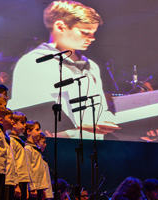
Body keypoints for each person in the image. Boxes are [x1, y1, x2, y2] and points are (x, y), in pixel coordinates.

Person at [9, 0, 119, 139]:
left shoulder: (92, 66)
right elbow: (29, 117)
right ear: (60, 27)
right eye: (85, 32)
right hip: (55, 151)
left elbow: (101, 110)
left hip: (95, 150)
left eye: (93, 32)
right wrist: (80, 127)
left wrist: (118, 122)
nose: (92, 38)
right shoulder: (32, 63)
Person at [0, 108, 21, 200]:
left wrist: (16, 182)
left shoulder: (8, 138)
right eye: (10, 118)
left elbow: (12, 162)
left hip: (9, 179)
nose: (12, 122)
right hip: (2, 178)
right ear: (1, 119)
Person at [9, 111, 30, 200]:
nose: (25, 125)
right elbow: (13, 163)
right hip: (18, 181)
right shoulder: (11, 140)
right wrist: (16, 184)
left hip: (23, 180)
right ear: (13, 124)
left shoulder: (19, 141)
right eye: (22, 123)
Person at [24, 120, 47, 200]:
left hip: (40, 186)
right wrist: (32, 187)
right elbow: (29, 169)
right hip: (34, 188)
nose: (40, 132)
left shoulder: (35, 149)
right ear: (29, 131)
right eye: (37, 130)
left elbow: (40, 170)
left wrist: (44, 187)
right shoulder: (27, 148)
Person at [36, 132, 54, 200]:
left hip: (45, 193)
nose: (45, 145)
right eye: (43, 142)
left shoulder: (43, 159)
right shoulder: (37, 158)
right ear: (36, 142)